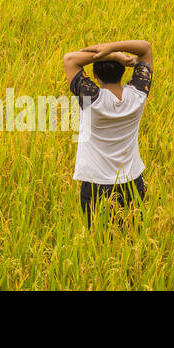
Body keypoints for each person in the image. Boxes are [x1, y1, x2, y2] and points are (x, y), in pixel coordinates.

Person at [62, 40, 154, 226]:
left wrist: (111, 54)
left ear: (94, 75)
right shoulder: (138, 95)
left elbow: (70, 59)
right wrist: (114, 50)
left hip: (97, 185)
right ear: (123, 71)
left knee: (97, 243)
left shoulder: (92, 100)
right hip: (132, 182)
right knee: (132, 239)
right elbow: (145, 48)